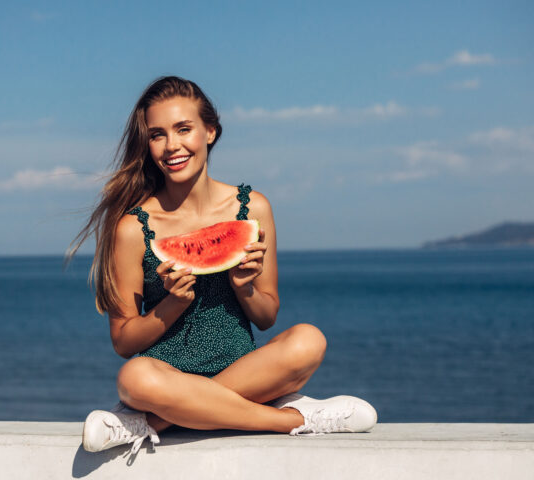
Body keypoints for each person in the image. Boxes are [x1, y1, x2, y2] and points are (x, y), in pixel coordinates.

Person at [69, 76, 377, 455]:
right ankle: (296, 420)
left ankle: (151, 422)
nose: (172, 146)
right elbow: (122, 341)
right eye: (157, 135)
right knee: (134, 377)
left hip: (243, 369)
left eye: (184, 129)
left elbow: (267, 317)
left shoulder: (253, 208)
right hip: (166, 376)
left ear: (210, 132)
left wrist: (244, 286)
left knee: (309, 340)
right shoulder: (134, 227)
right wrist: (172, 305)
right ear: (147, 144)